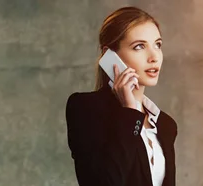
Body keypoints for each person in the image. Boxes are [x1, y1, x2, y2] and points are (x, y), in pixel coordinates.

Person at [65, 6, 177, 186]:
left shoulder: (165, 124)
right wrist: (130, 113)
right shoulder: (85, 108)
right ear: (109, 55)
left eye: (158, 44)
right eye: (139, 46)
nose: (154, 56)